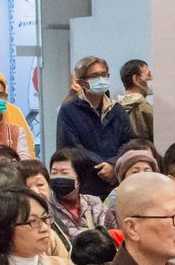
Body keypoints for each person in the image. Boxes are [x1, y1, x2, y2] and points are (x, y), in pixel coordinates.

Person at [56, 55, 130, 198]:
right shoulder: (69, 110)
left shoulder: (117, 110)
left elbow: (127, 143)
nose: (101, 79)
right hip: (85, 183)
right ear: (82, 82)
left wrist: (113, 164)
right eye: (95, 76)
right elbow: (72, 147)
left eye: (104, 74)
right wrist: (102, 166)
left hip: (115, 182)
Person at [49, 148, 108, 235]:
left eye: (64, 173)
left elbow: (105, 236)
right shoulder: (46, 206)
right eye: (54, 173)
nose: (58, 177)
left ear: (79, 177)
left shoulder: (94, 203)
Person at [118, 59, 157, 145]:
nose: (152, 78)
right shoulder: (146, 109)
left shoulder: (113, 108)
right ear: (137, 79)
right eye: (149, 75)